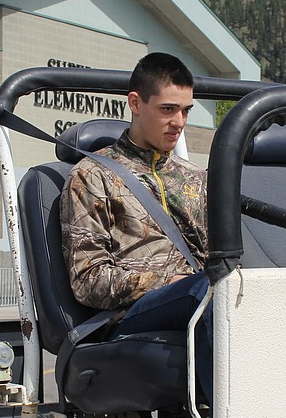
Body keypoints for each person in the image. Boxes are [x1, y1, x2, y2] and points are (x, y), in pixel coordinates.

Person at [61, 52, 214, 400]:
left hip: (198, 293)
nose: (179, 122)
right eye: (168, 109)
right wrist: (166, 282)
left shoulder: (195, 179)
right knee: (205, 291)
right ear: (135, 103)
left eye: (186, 111)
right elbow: (87, 281)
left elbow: (218, 258)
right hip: (129, 313)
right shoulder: (92, 177)